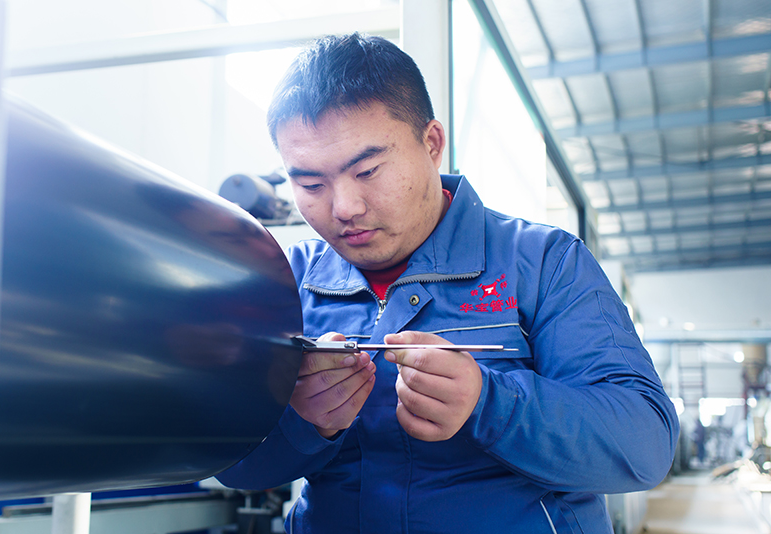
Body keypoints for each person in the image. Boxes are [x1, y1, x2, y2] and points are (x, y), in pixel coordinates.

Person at [216, 33, 679, 533]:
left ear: (432, 144)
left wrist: (489, 402)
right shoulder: (289, 282)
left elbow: (644, 444)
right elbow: (235, 467)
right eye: (310, 184)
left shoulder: (543, 262)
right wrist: (304, 426)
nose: (343, 207)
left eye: (367, 170)